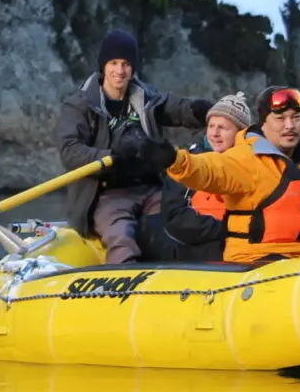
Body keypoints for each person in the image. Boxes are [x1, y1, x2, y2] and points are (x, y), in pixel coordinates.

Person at [118, 85, 300, 264]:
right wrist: (170, 157)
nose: (289, 126)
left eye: (296, 118)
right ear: (263, 124)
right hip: (256, 266)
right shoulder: (245, 159)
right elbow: (205, 170)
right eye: (280, 118)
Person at [56, 30, 211, 264]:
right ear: (103, 66)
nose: (120, 71)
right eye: (114, 63)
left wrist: (199, 111)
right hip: (108, 194)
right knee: (121, 237)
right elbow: (70, 151)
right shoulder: (79, 105)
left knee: (175, 228)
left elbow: (173, 107)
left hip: (151, 189)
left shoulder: (145, 97)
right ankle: (123, 284)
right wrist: (112, 156)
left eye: (126, 64)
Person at [156, 93, 254, 263]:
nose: (214, 133)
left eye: (223, 128)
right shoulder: (187, 163)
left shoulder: (258, 163)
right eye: (211, 126)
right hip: (200, 257)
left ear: (241, 133)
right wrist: (228, 228)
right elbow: (175, 217)